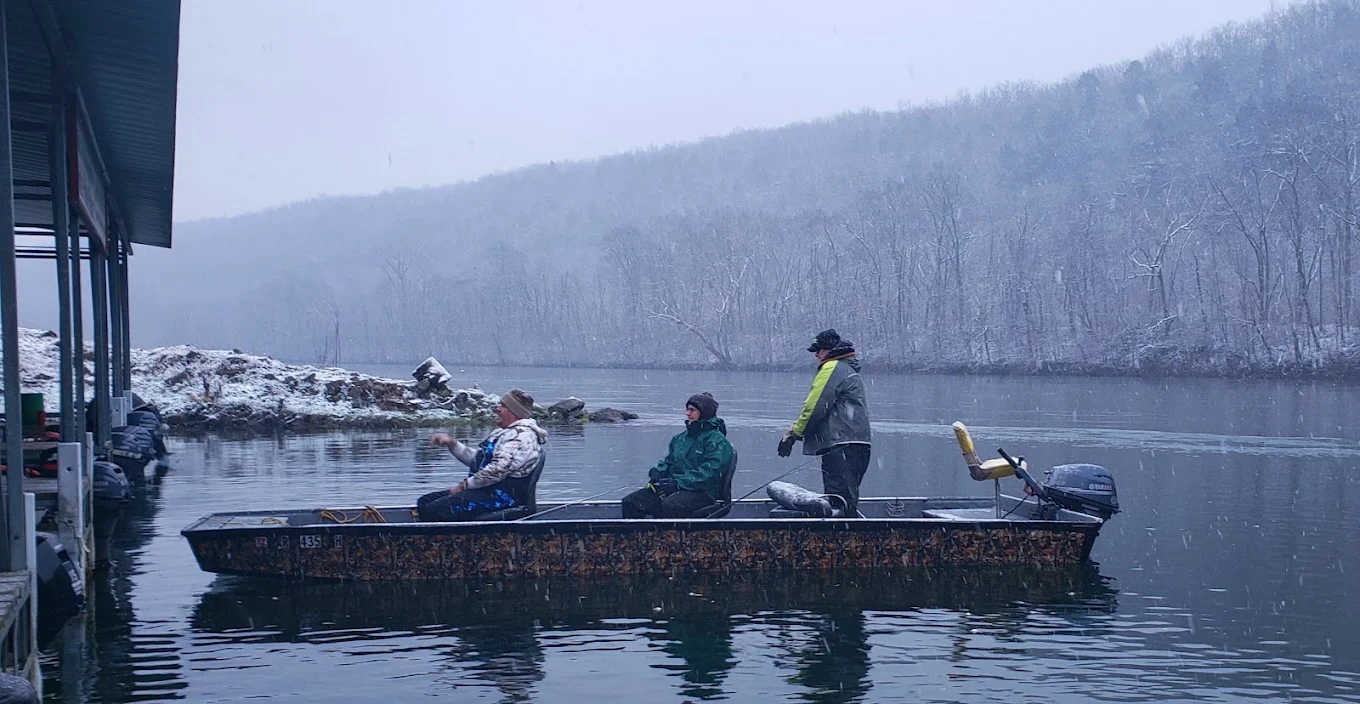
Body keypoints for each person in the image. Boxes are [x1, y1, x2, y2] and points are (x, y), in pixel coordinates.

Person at [777, 329, 872, 516]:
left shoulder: (832, 367)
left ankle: (838, 537)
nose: (816, 356)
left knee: (838, 499)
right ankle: (851, 534)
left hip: (840, 443)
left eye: (817, 351)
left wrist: (793, 434)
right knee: (847, 496)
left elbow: (814, 406)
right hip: (858, 442)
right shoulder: (848, 369)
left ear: (828, 350)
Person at [417, 388, 547, 521]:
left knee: (437, 510)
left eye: (503, 406)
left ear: (514, 413)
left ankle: (455, 539)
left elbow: (497, 470)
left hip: (501, 498)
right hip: (485, 491)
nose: (497, 409)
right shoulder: (503, 432)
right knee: (425, 502)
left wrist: (464, 486)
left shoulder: (521, 437)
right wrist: (452, 444)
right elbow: (479, 461)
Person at [621, 392, 734, 519]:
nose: (688, 413)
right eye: (687, 409)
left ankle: (669, 537)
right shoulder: (680, 439)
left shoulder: (718, 441)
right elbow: (669, 462)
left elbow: (709, 473)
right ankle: (637, 536)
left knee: (671, 506)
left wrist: (677, 484)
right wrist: (658, 472)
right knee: (631, 502)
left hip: (703, 493)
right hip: (674, 488)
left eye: (692, 410)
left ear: (704, 413)